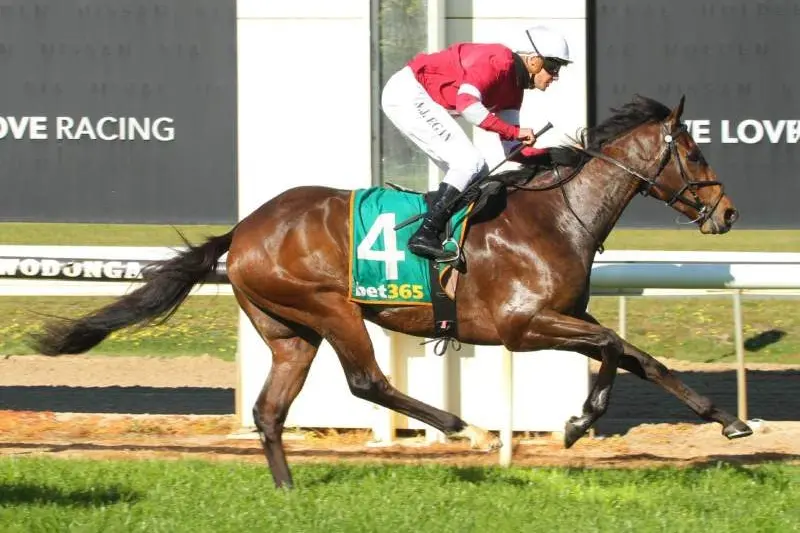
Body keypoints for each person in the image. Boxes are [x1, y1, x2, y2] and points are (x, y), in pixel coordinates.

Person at [381, 25, 573, 261]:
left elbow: (513, 151)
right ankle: (425, 233)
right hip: (407, 93)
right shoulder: (498, 61)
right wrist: (513, 131)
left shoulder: (515, 90)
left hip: (418, 98)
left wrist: (556, 156)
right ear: (534, 61)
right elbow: (468, 105)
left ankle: (442, 232)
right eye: (553, 67)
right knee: (469, 162)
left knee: (477, 174)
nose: (555, 76)